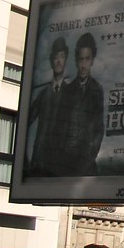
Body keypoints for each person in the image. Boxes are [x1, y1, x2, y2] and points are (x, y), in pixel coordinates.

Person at [62, 32, 105, 175]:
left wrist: (88, 157)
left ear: (92, 60)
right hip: (65, 164)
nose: (83, 65)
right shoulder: (67, 91)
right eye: (81, 59)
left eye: (87, 59)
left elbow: (99, 128)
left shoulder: (97, 90)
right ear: (76, 60)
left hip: (86, 165)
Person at [28, 36, 71, 176]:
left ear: (65, 61)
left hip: (59, 164)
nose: (59, 61)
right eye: (56, 57)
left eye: (62, 57)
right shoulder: (43, 94)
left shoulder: (71, 93)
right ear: (52, 61)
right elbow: (26, 121)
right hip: (39, 162)